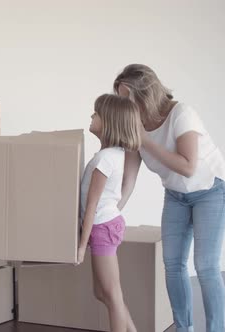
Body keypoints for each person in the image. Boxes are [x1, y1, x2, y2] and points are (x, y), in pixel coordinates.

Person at [114, 64, 225, 332]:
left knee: (206, 266)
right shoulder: (135, 128)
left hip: (212, 190)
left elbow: (188, 165)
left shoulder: (182, 114)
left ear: (145, 94)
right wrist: (109, 213)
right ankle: (184, 328)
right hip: (177, 195)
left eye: (126, 97)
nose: (123, 104)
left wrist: (145, 139)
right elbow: (128, 181)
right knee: (173, 264)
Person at [78, 94, 142, 332]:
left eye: (96, 113)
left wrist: (81, 247)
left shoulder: (105, 159)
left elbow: (92, 206)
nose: (92, 116)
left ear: (109, 122)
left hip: (101, 227)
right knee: (102, 292)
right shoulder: (113, 155)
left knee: (112, 294)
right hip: (103, 226)